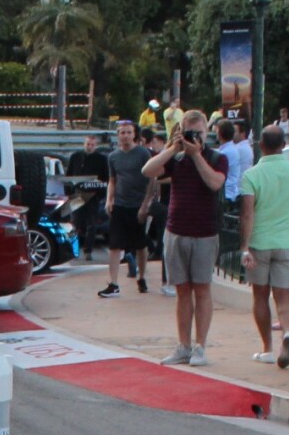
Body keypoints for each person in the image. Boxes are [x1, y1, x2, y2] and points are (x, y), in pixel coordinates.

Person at [151, 107, 227, 364]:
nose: (194, 137)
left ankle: (200, 346)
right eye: (189, 131)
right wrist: (173, 148)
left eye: (198, 132)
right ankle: (183, 344)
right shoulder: (176, 158)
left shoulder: (216, 158)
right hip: (176, 231)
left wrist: (197, 156)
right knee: (182, 290)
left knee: (202, 289)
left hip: (204, 233)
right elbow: (148, 171)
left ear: (207, 132)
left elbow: (215, 183)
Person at [239, 125, 289, 370]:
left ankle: (267, 348)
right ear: (284, 144)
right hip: (288, 241)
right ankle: (287, 332)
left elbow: (248, 213)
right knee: (283, 295)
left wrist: (245, 246)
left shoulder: (252, 175)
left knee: (260, 295)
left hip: (260, 241)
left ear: (261, 145)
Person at [97, 121, 153, 299]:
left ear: (134, 134)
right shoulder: (113, 157)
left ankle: (142, 277)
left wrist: (146, 204)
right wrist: (109, 199)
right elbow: (112, 180)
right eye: (122, 133)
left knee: (140, 244)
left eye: (128, 132)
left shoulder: (143, 153)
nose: (125, 136)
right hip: (120, 204)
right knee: (114, 244)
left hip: (138, 204)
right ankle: (113, 283)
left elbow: (152, 181)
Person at [219, 118, 254, 205]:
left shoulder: (238, 149)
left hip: (235, 192)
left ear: (243, 133)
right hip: (238, 191)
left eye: (235, 131)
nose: (232, 134)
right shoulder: (244, 147)